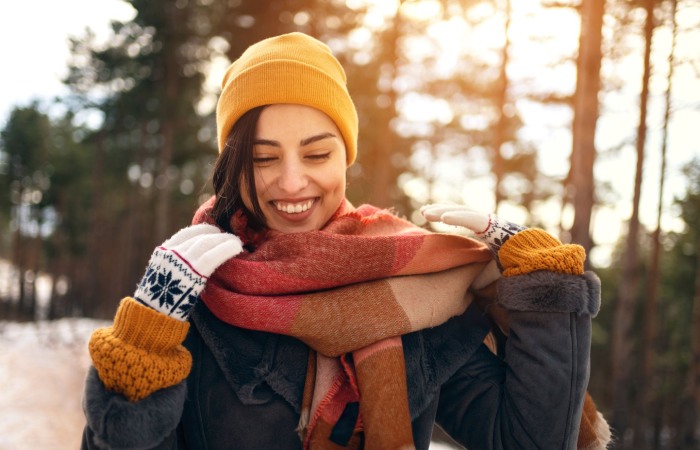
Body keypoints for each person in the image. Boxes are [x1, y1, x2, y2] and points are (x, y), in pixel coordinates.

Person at [80, 32, 612, 450]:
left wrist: (546, 286)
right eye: (264, 158)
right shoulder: (189, 292)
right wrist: (139, 358)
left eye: (316, 154)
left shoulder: (417, 291)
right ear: (234, 165)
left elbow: (529, 441)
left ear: (345, 156)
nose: (291, 182)